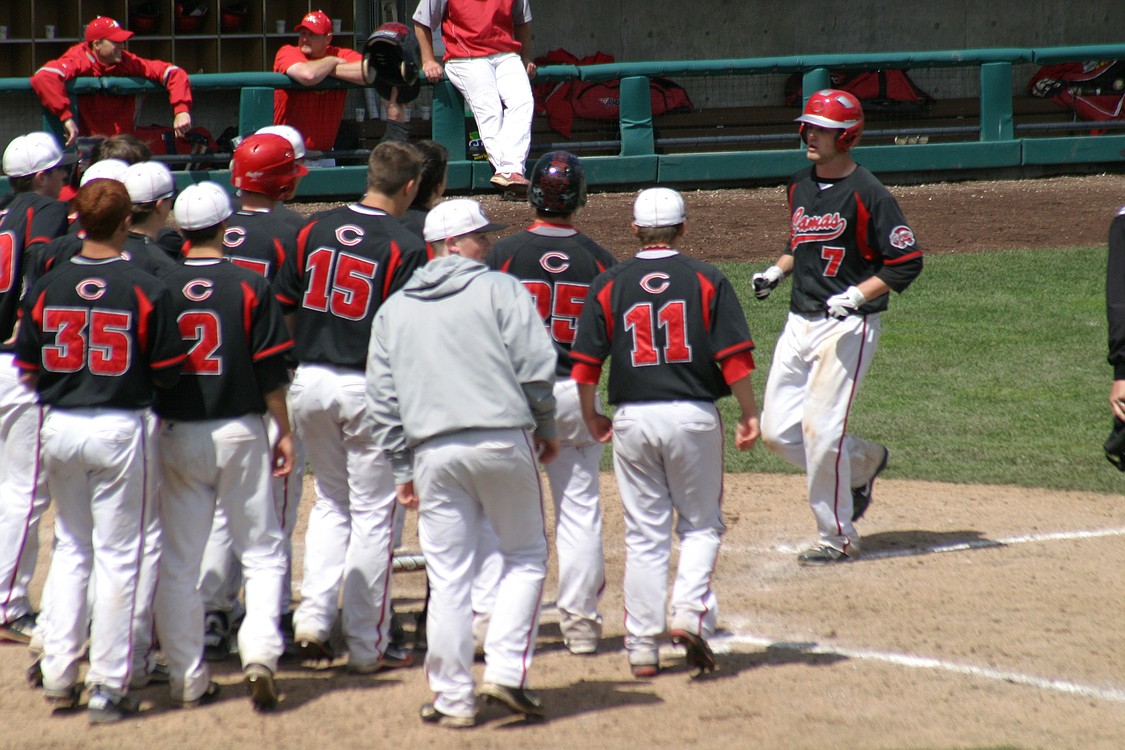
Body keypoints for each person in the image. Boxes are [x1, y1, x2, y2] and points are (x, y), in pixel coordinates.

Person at [366, 197, 557, 728]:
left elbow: (383, 400)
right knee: (524, 556)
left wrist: (402, 467)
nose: (488, 245)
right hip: (500, 440)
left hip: (432, 453)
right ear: (452, 244)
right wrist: (546, 427)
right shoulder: (501, 289)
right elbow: (538, 367)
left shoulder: (395, 309)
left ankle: (452, 699)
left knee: (449, 577)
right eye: (480, 237)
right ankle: (505, 672)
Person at [14, 179, 186, 723]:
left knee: (71, 548)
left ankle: (60, 673)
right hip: (120, 427)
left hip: (60, 426)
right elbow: (168, 373)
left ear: (80, 222)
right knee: (118, 557)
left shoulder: (49, 282)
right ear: (123, 223)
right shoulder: (143, 285)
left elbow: (28, 366)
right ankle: (110, 682)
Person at [569, 187, 760, 678]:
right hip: (694, 417)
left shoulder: (610, 283)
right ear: (683, 227)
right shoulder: (706, 278)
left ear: (634, 229)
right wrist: (748, 412)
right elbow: (734, 358)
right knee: (700, 525)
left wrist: (591, 415)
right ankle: (689, 614)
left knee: (644, 535)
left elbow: (586, 365)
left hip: (633, 420)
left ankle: (641, 648)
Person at [273, 140, 428, 672]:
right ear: (409, 187)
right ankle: (368, 643)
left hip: (309, 383)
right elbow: (407, 335)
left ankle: (314, 619)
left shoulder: (311, 228)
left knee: (332, 504)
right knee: (374, 515)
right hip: (367, 390)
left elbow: (285, 308)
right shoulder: (405, 245)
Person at [751, 89, 923, 566]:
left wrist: (857, 295)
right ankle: (863, 462)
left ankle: (837, 537)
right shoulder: (798, 184)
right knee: (776, 431)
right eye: (807, 125)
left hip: (847, 328)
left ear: (845, 135)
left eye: (820, 128)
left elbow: (906, 261)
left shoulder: (871, 193)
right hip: (798, 320)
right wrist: (776, 271)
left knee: (821, 433)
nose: (809, 134)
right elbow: (800, 242)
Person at [152, 182, 295, 712]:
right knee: (260, 549)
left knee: (182, 560)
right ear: (224, 225)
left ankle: (188, 679)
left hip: (178, 433)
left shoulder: (160, 283)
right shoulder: (249, 284)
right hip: (241, 430)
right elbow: (271, 370)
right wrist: (284, 429)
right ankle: (259, 651)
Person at [486, 151, 616, 655]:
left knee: (501, 514)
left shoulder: (501, 254)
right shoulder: (602, 259)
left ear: (533, 193)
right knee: (579, 509)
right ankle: (581, 626)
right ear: (580, 197)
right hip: (574, 393)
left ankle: (489, 621)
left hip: (511, 398)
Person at [197, 133, 307, 660]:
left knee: (221, 508)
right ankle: (274, 612)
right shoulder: (297, 231)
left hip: (210, 384)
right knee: (273, 511)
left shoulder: (202, 234)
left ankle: (214, 612)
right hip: (274, 383)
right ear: (285, 181)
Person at [0, 132, 75, 645]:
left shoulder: (2, 214)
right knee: (25, 491)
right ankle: (7, 603)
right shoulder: (43, 211)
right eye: (61, 172)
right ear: (44, 176)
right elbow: (42, 270)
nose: (65, 178)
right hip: (18, 363)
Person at [413, 0, 537, 192]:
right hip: (465, 57)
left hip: (505, 54)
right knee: (490, 109)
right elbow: (422, 21)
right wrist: (428, 59)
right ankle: (510, 171)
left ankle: (509, 171)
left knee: (523, 102)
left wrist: (525, 56)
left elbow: (523, 20)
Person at [30, 16, 193, 147]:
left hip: (122, 145)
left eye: (122, 40)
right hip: (87, 147)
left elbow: (173, 72)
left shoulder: (126, 61)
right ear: (97, 44)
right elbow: (44, 76)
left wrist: (181, 110)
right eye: (115, 42)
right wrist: (66, 117)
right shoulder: (78, 59)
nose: (122, 45)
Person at [273, 10, 365, 162]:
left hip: (325, 154)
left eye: (312, 35)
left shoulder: (340, 53)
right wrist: (332, 62)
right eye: (303, 33)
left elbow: (367, 72)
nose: (305, 39)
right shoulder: (287, 51)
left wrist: (327, 70)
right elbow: (307, 75)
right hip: (288, 153)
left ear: (327, 38)